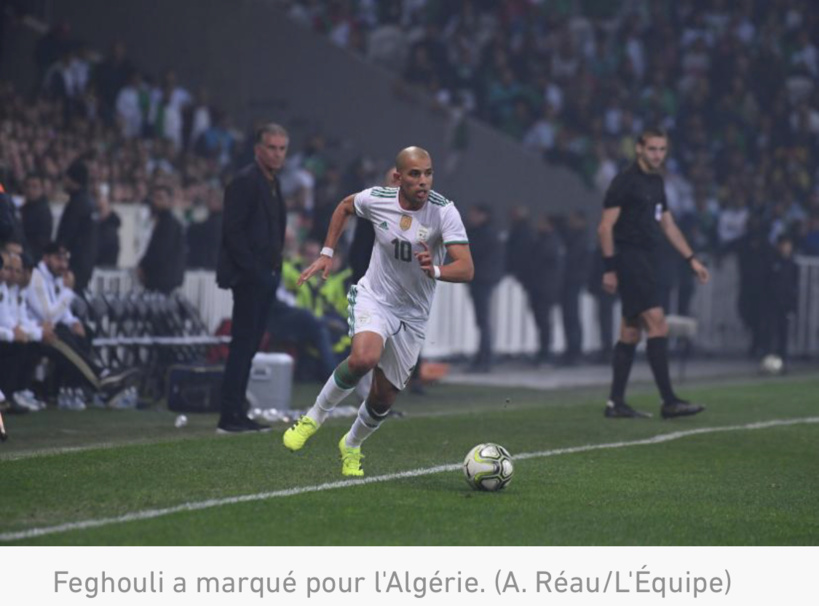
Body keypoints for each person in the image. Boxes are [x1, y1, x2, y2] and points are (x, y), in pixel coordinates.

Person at [282, 146, 473, 476]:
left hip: (413, 314)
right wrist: (327, 251)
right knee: (363, 358)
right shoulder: (377, 198)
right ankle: (313, 417)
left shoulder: (444, 212)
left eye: (428, 173)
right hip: (375, 297)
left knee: (383, 398)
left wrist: (437, 271)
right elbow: (345, 206)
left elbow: (467, 268)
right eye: (415, 174)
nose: (424, 181)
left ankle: (351, 444)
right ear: (398, 178)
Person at [597, 127, 710, 419]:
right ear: (639, 148)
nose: (658, 155)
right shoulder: (624, 182)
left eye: (662, 149)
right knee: (658, 325)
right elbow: (605, 227)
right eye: (652, 149)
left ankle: (615, 403)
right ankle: (669, 401)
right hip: (629, 258)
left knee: (631, 332)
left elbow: (668, 225)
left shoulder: (657, 183)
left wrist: (691, 259)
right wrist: (610, 269)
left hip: (646, 259)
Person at [215, 123, 289, 433]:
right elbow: (233, 230)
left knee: (250, 345)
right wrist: (253, 271)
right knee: (243, 344)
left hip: (265, 274)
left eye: (282, 148)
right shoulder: (246, 182)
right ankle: (229, 415)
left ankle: (236, 411)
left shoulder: (272, 182)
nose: (277, 154)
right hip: (250, 277)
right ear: (258, 149)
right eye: (271, 147)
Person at [465, 203, 503, 372]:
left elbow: (474, 253)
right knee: (482, 320)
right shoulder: (488, 233)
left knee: (483, 320)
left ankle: (485, 357)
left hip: (481, 280)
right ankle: (484, 356)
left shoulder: (484, 235)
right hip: (482, 279)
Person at [56, 159, 98, 294]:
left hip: (74, 266)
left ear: (73, 179)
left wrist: (60, 257)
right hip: (84, 265)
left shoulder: (77, 205)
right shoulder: (88, 203)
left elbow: (67, 236)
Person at [137, 185, 185, 294]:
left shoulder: (169, 224)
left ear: (170, 200)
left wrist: (144, 265)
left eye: (160, 198)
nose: (156, 202)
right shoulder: (159, 222)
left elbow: (160, 251)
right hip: (160, 279)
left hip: (162, 280)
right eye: (155, 197)